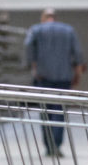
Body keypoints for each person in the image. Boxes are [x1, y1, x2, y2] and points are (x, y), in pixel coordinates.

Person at [24, 8, 84, 156]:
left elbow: (27, 45)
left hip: (43, 76)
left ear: (43, 18)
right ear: (55, 17)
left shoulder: (36, 30)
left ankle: (48, 145)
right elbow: (78, 53)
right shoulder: (68, 30)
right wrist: (77, 72)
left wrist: (32, 64)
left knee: (45, 111)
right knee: (59, 110)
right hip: (64, 77)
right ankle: (56, 144)